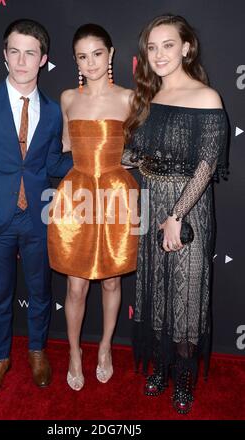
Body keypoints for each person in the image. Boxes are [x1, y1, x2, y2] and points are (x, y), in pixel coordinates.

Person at [0, 19, 73, 397]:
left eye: (30, 53)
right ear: (4, 55)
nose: (21, 60)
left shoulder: (55, 112)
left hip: (38, 217)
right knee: (0, 293)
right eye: (14, 51)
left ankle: (37, 351)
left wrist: (93, 160)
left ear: (43, 59)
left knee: (41, 291)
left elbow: (51, 164)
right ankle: (0, 357)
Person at [123, 14, 228, 414]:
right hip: (150, 204)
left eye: (168, 45)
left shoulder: (207, 97)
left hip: (188, 211)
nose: (159, 54)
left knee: (186, 295)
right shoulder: (146, 98)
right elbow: (135, 154)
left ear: (186, 48)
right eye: (152, 47)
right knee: (156, 291)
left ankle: (184, 375)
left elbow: (206, 165)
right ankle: (162, 366)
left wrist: (176, 216)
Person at [47, 24, 139, 391]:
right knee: (76, 286)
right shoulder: (68, 97)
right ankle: (74, 352)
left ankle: (104, 348)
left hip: (116, 194)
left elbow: (136, 150)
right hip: (77, 195)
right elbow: (68, 145)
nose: (91, 63)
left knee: (113, 279)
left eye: (97, 54)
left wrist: (119, 162)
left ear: (111, 54)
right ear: (75, 61)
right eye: (83, 57)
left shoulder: (130, 99)